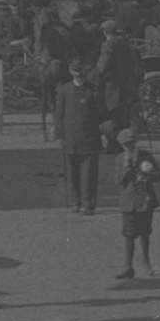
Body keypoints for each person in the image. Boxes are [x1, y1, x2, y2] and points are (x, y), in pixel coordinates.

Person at [57, 68, 104, 215]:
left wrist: (103, 134)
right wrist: (59, 135)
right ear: (71, 73)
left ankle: (89, 206)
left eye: (81, 73)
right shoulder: (64, 90)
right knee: (72, 174)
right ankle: (75, 203)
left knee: (89, 175)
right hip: (70, 139)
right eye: (75, 72)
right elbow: (59, 114)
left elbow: (101, 113)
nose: (78, 76)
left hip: (90, 139)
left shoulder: (93, 90)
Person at [118, 154, 160, 280]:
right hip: (129, 202)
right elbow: (118, 181)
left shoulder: (145, 155)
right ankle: (128, 266)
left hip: (145, 202)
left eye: (130, 145)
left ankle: (146, 261)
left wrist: (149, 175)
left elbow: (159, 176)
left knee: (145, 233)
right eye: (125, 145)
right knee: (129, 234)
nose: (128, 148)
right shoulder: (120, 158)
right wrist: (126, 167)